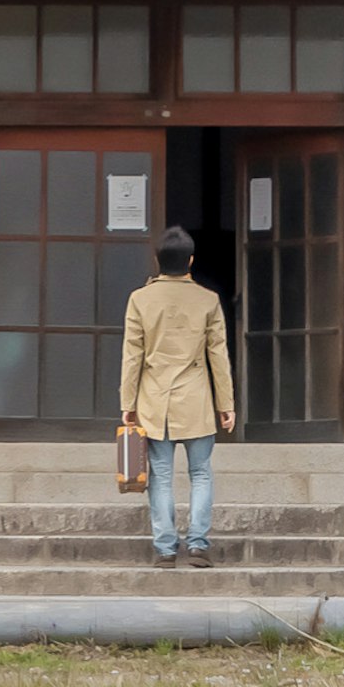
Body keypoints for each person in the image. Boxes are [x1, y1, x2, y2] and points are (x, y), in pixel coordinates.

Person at [118, 223, 235, 562]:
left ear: (157, 260)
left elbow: (132, 355)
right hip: (196, 398)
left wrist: (128, 403)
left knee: (162, 475)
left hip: (154, 400)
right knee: (200, 473)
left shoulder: (140, 299)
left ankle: (165, 548)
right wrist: (225, 404)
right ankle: (198, 544)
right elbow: (218, 356)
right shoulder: (208, 300)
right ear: (191, 260)